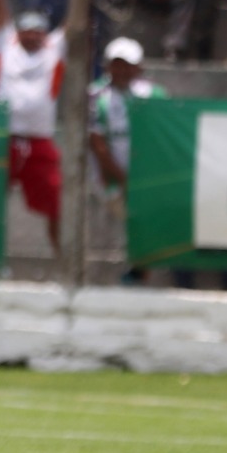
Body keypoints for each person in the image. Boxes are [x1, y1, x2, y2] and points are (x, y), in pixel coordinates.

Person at [0, 0, 66, 256]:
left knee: (57, 202)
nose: (33, 36)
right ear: (18, 32)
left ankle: (61, 257)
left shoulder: (54, 50)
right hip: (3, 138)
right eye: (28, 31)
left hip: (39, 140)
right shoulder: (4, 44)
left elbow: (77, 21)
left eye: (38, 31)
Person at [87, 36, 167, 283]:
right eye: (117, 65)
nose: (122, 71)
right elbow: (97, 144)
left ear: (139, 67)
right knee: (127, 225)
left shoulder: (154, 94)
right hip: (110, 180)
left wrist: (147, 179)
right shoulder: (95, 94)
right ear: (107, 66)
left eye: (128, 65)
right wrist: (124, 181)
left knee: (145, 226)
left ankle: (138, 275)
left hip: (146, 178)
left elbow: (162, 137)